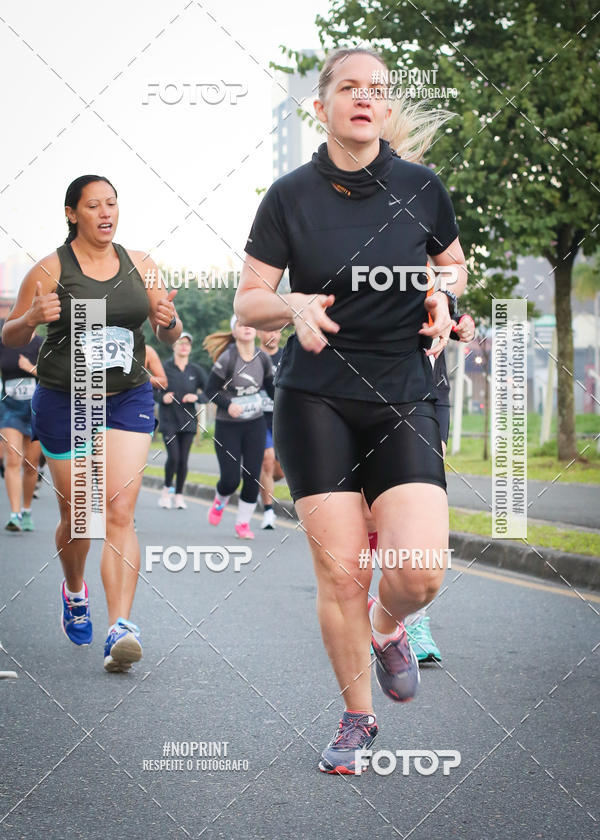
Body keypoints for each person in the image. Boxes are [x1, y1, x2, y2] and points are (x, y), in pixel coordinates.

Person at [235, 47, 468, 773]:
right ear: (323, 106)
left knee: (420, 572)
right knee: (340, 574)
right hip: (314, 399)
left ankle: (389, 624)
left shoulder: (423, 188)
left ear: (388, 109)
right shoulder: (288, 196)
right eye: (348, 89)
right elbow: (249, 298)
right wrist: (291, 301)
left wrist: (443, 294)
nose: (364, 100)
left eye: (377, 91)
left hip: (402, 391)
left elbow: (453, 263)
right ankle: (357, 718)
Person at [1, 174, 181, 672]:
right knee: (81, 517)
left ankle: (121, 626)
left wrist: (169, 321)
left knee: (119, 510)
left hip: (127, 397)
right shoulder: (48, 269)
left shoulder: (142, 265)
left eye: (113, 204)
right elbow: (12, 334)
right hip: (66, 400)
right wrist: (33, 316)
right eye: (94, 205)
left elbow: (169, 333)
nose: (106, 213)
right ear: (71, 213)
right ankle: (75, 590)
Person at [360, 97, 477, 663]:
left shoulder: (427, 215)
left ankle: (412, 619)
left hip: (422, 383)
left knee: (417, 505)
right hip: (351, 382)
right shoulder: (343, 220)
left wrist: (454, 313)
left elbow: (452, 280)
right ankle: (374, 604)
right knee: (368, 510)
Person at [203, 316, 274, 539]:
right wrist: (228, 404)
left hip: (255, 423)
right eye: (241, 324)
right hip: (228, 426)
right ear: (234, 331)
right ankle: (220, 499)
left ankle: (243, 524)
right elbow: (210, 390)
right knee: (231, 479)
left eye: (251, 324)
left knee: (253, 476)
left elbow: (273, 391)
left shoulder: (263, 358)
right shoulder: (228, 358)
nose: (247, 328)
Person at [156, 331, 208, 509]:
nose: (184, 346)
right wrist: (162, 398)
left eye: (187, 343)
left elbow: (210, 392)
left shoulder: (196, 370)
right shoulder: (164, 368)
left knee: (183, 460)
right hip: (169, 420)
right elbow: (152, 389)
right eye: (181, 342)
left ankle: (179, 495)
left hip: (188, 421)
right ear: (174, 346)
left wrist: (197, 397)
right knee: (174, 457)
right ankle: (166, 491)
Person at [0, 330, 43, 531]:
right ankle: (15, 514)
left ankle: (26, 510)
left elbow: (56, 376)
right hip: (10, 410)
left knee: (31, 465)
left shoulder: (41, 344)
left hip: (36, 409)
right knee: (13, 458)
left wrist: (30, 368)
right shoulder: (4, 341)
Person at [256, 328, 284, 529]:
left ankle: (261, 484)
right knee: (266, 460)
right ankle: (268, 511)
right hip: (257, 419)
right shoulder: (252, 357)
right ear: (259, 332)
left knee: (280, 472)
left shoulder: (287, 355)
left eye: (276, 331)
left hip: (283, 419)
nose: (272, 335)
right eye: (268, 330)